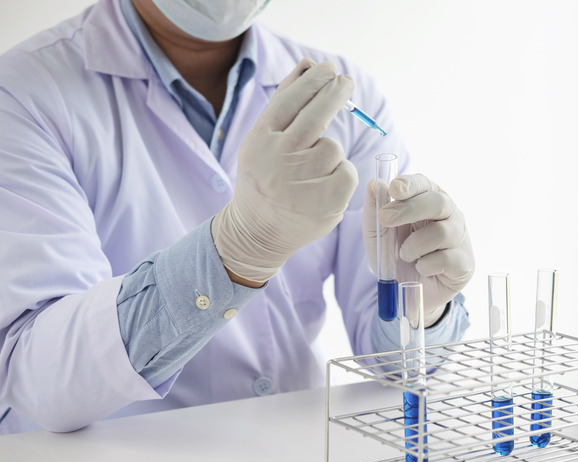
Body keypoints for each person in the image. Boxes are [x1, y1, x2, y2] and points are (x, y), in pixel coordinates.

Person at [0, 0, 474, 435]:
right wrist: (239, 248)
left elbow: (396, 365)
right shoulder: (22, 93)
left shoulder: (349, 93)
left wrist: (421, 308)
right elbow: (38, 379)